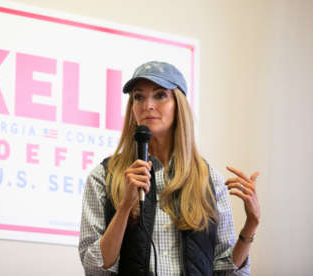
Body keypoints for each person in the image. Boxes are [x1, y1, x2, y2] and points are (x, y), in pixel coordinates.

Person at [79, 61, 260, 276]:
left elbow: (228, 271)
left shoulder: (208, 178)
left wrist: (251, 225)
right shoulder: (103, 177)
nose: (148, 105)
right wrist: (125, 207)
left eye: (160, 95)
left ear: (178, 105)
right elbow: (94, 268)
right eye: (138, 97)